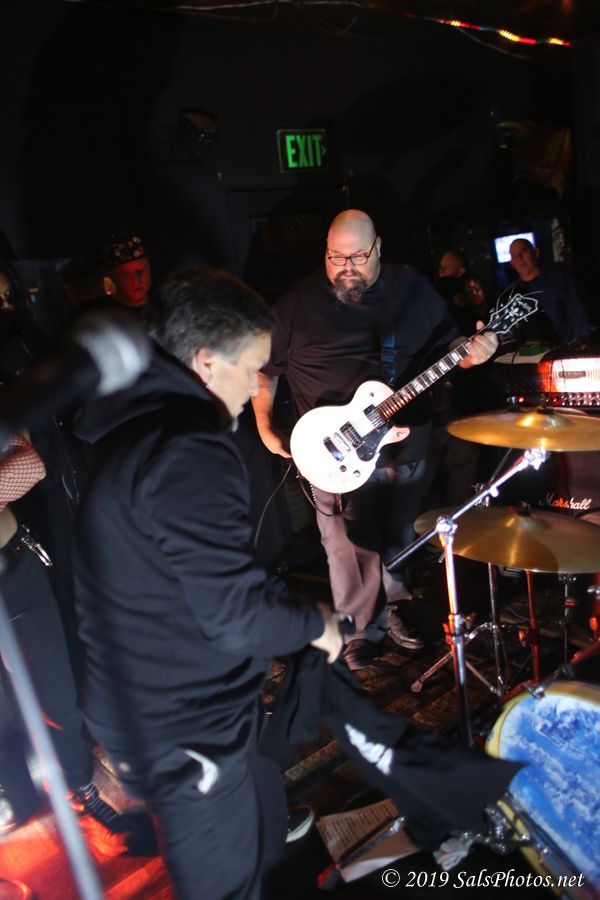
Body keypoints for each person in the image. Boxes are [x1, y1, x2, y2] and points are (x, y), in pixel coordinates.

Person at [73, 267, 343, 900]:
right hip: (182, 723)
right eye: (250, 368)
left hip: (157, 700)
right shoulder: (188, 448)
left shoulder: (138, 423)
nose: (257, 385)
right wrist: (317, 624)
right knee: (225, 883)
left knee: (256, 833)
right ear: (204, 362)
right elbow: (235, 617)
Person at [252, 210, 497, 670]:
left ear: (379, 248)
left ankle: (396, 606)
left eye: (358, 257)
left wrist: (473, 353)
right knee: (347, 546)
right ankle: (359, 630)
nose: (346, 267)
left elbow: (450, 345)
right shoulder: (296, 305)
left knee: (399, 536)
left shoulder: (414, 290)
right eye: (335, 257)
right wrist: (265, 426)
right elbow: (263, 371)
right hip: (331, 451)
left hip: (404, 443)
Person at [0, 433, 127, 843]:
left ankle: (80, 785)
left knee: (55, 699)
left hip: (13, 571)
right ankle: (15, 798)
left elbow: (30, 462)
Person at [505, 238, 589, 345]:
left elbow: (579, 313)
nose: (520, 258)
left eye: (524, 251)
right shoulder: (512, 293)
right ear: (512, 263)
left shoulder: (560, 279)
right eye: (514, 255)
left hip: (566, 349)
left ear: (536, 253)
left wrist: (582, 344)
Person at [101, 230, 152, 310]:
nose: (136, 281)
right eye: (125, 274)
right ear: (112, 276)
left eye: (141, 271)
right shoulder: (100, 313)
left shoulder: (165, 305)